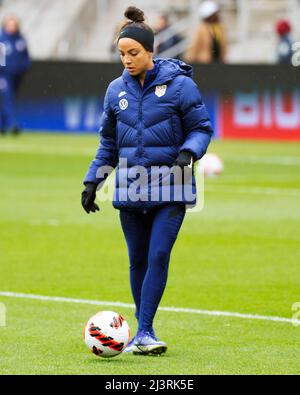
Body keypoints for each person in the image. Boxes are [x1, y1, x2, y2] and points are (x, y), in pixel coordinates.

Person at [81, 6, 213, 356]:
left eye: (133, 53)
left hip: (172, 184)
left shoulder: (181, 86)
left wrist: (189, 152)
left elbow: (201, 128)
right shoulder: (114, 91)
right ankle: (142, 331)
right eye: (122, 53)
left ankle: (145, 330)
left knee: (158, 255)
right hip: (130, 186)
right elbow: (108, 143)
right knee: (137, 260)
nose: (126, 59)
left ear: (151, 51)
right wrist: (92, 181)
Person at [0, 16, 31, 135]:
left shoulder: (20, 40)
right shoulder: (2, 40)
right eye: (10, 24)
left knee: (9, 99)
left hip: (17, 75)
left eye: (14, 24)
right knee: (8, 98)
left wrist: (25, 67)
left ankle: (2, 126)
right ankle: (13, 124)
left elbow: (26, 56)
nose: (12, 27)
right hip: (3, 75)